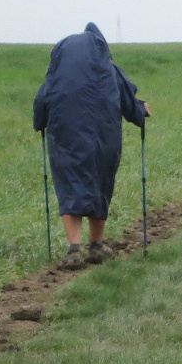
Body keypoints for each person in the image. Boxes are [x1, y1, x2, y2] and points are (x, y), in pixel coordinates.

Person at [33, 23, 150, 269]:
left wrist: (39, 123)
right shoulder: (110, 71)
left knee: (70, 186)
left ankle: (74, 248)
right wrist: (141, 112)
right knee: (100, 184)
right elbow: (131, 105)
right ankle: (96, 245)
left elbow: (41, 106)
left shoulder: (57, 75)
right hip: (104, 140)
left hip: (66, 139)